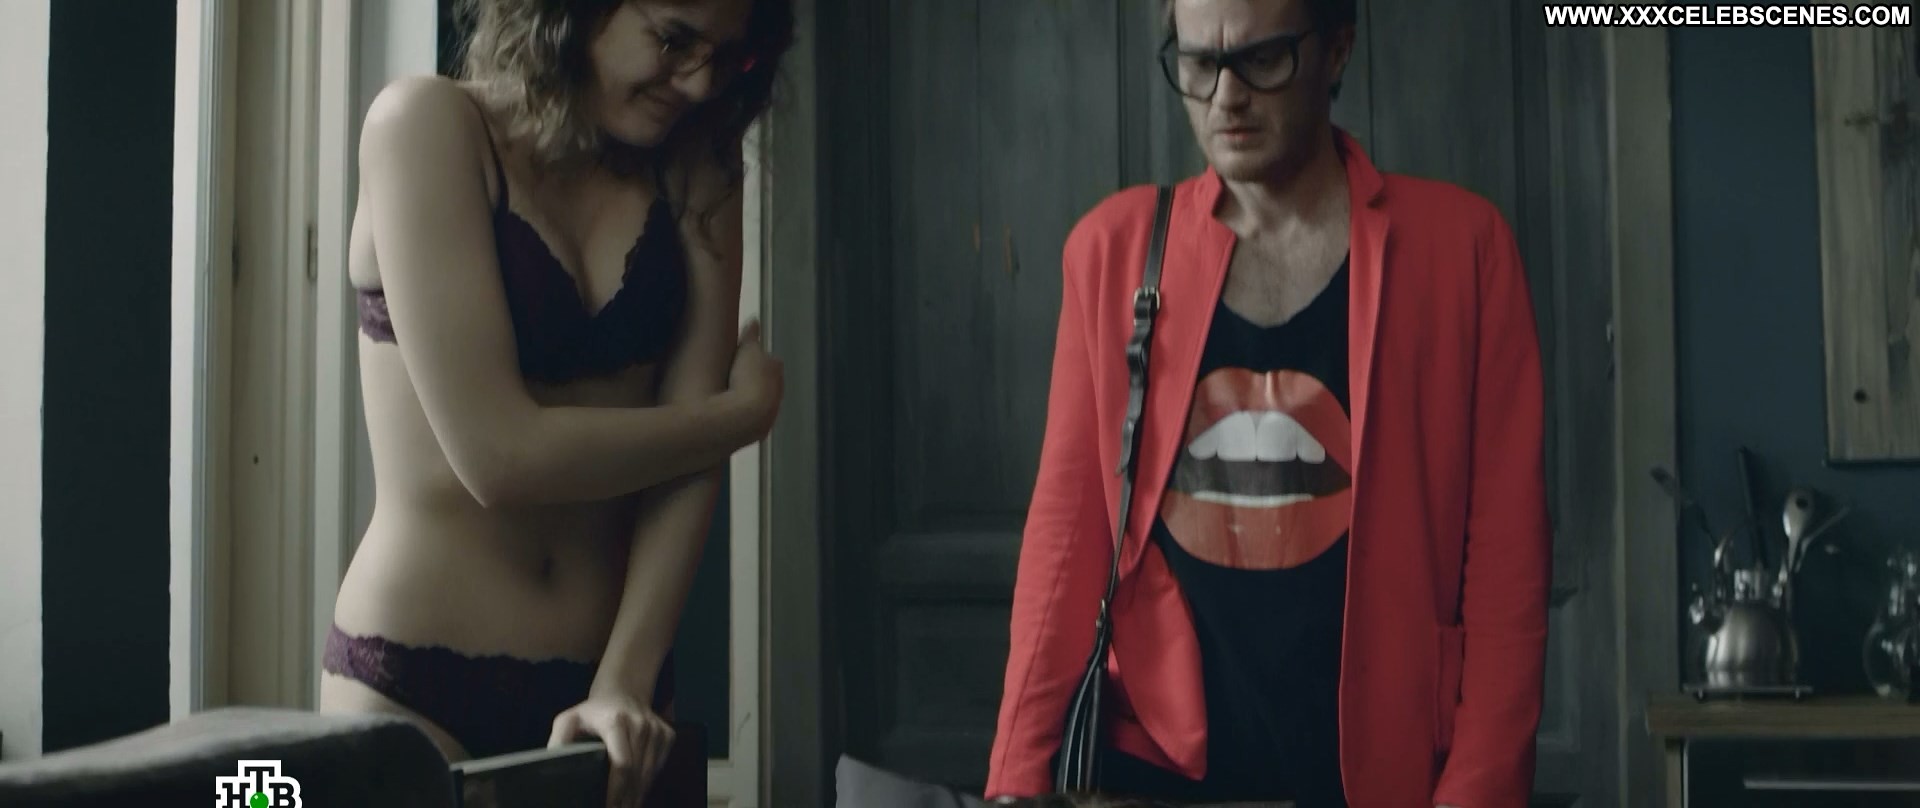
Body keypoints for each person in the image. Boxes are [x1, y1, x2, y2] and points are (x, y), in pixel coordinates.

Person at [986, 1, 1549, 806]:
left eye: (1262, 59)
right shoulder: (1111, 253)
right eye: (1199, 62)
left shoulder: (1463, 251)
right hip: (1151, 772)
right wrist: (1015, 780)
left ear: (1336, 50)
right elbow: (1065, 541)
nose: (1226, 97)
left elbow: (1505, 573)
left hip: (1376, 775)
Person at [315, 1, 792, 805]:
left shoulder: (700, 166)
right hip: (415, 685)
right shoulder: (425, 128)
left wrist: (625, 681)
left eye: (727, 57)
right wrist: (735, 419)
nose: (699, 82)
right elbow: (498, 457)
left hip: (617, 692)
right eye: (674, 40)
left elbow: (686, 469)